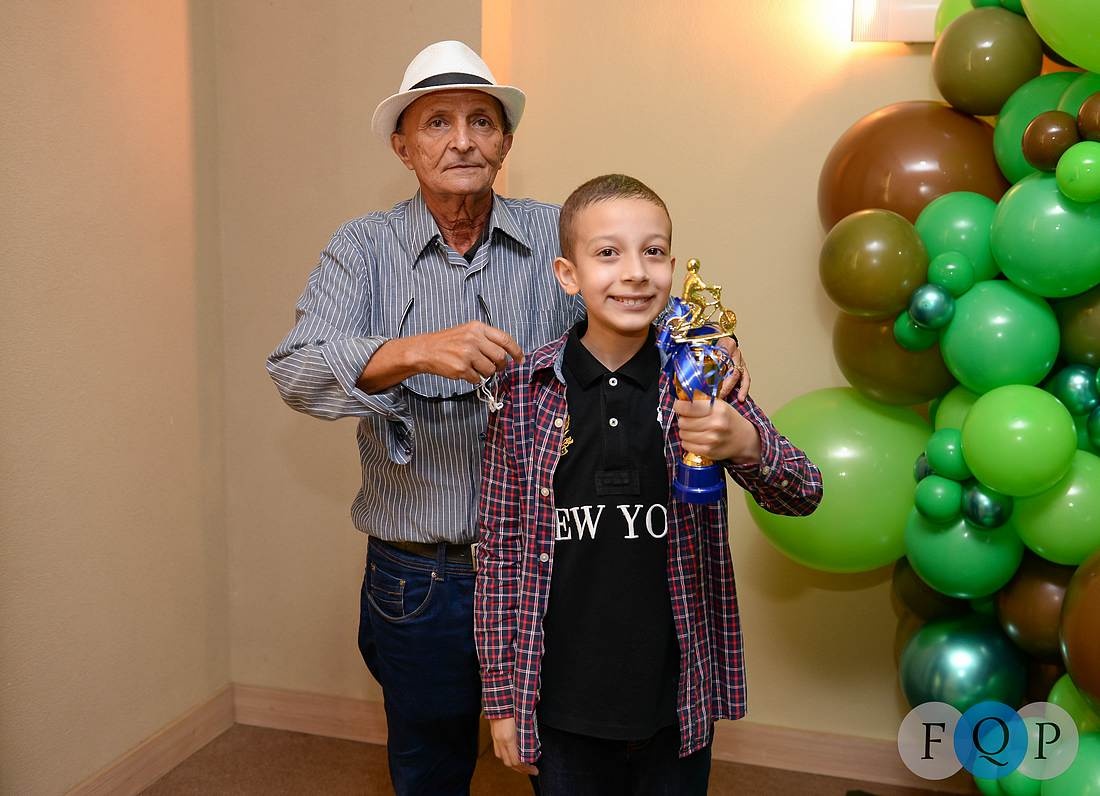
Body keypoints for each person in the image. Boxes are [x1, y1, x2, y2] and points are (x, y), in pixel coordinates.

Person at [266, 42, 751, 795]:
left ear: (507, 142)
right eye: (437, 122)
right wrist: (413, 352)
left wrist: (709, 345)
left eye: (482, 122)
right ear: (402, 146)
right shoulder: (361, 248)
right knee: (429, 767)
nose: (462, 141)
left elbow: (640, 298)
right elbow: (294, 370)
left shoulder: (557, 235)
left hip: (552, 572)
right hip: (422, 577)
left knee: (563, 767)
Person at [474, 174, 823, 795]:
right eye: (608, 253)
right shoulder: (523, 392)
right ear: (568, 275)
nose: (635, 272)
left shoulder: (703, 377)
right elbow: (500, 550)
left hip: (674, 699)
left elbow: (804, 493)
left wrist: (746, 444)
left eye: (654, 251)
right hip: (560, 704)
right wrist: (502, 700)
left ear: (674, 267)